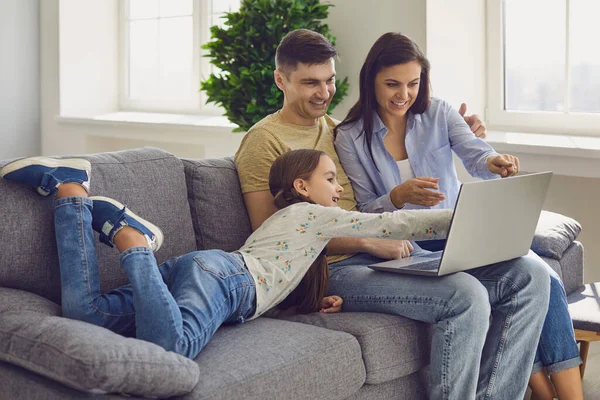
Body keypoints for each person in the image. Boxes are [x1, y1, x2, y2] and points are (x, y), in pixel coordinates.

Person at [235, 29, 552, 400]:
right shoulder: (262, 142)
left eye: (329, 81)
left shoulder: (335, 130)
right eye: (310, 83)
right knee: (465, 295)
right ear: (280, 80)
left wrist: (472, 136)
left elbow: (370, 204)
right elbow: (271, 234)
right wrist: (369, 241)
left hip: (387, 250)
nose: (323, 93)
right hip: (334, 268)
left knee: (529, 274)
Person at [0, 150, 454, 360]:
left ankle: (69, 189)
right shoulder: (313, 215)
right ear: (302, 187)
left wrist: (308, 305)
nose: (338, 189)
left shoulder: (291, 232)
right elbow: (392, 224)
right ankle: (132, 240)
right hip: (224, 277)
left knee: (87, 314)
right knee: (170, 349)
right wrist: (459, 216)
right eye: (331, 178)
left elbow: (271, 289)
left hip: (203, 270)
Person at [334, 32, 583, 400]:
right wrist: (398, 196)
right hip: (406, 245)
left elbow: (476, 154)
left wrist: (494, 162)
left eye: (413, 84)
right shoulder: (350, 136)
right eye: (392, 84)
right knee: (528, 277)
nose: (404, 94)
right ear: (371, 80)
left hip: (454, 232)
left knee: (535, 275)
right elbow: (364, 212)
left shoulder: (439, 113)